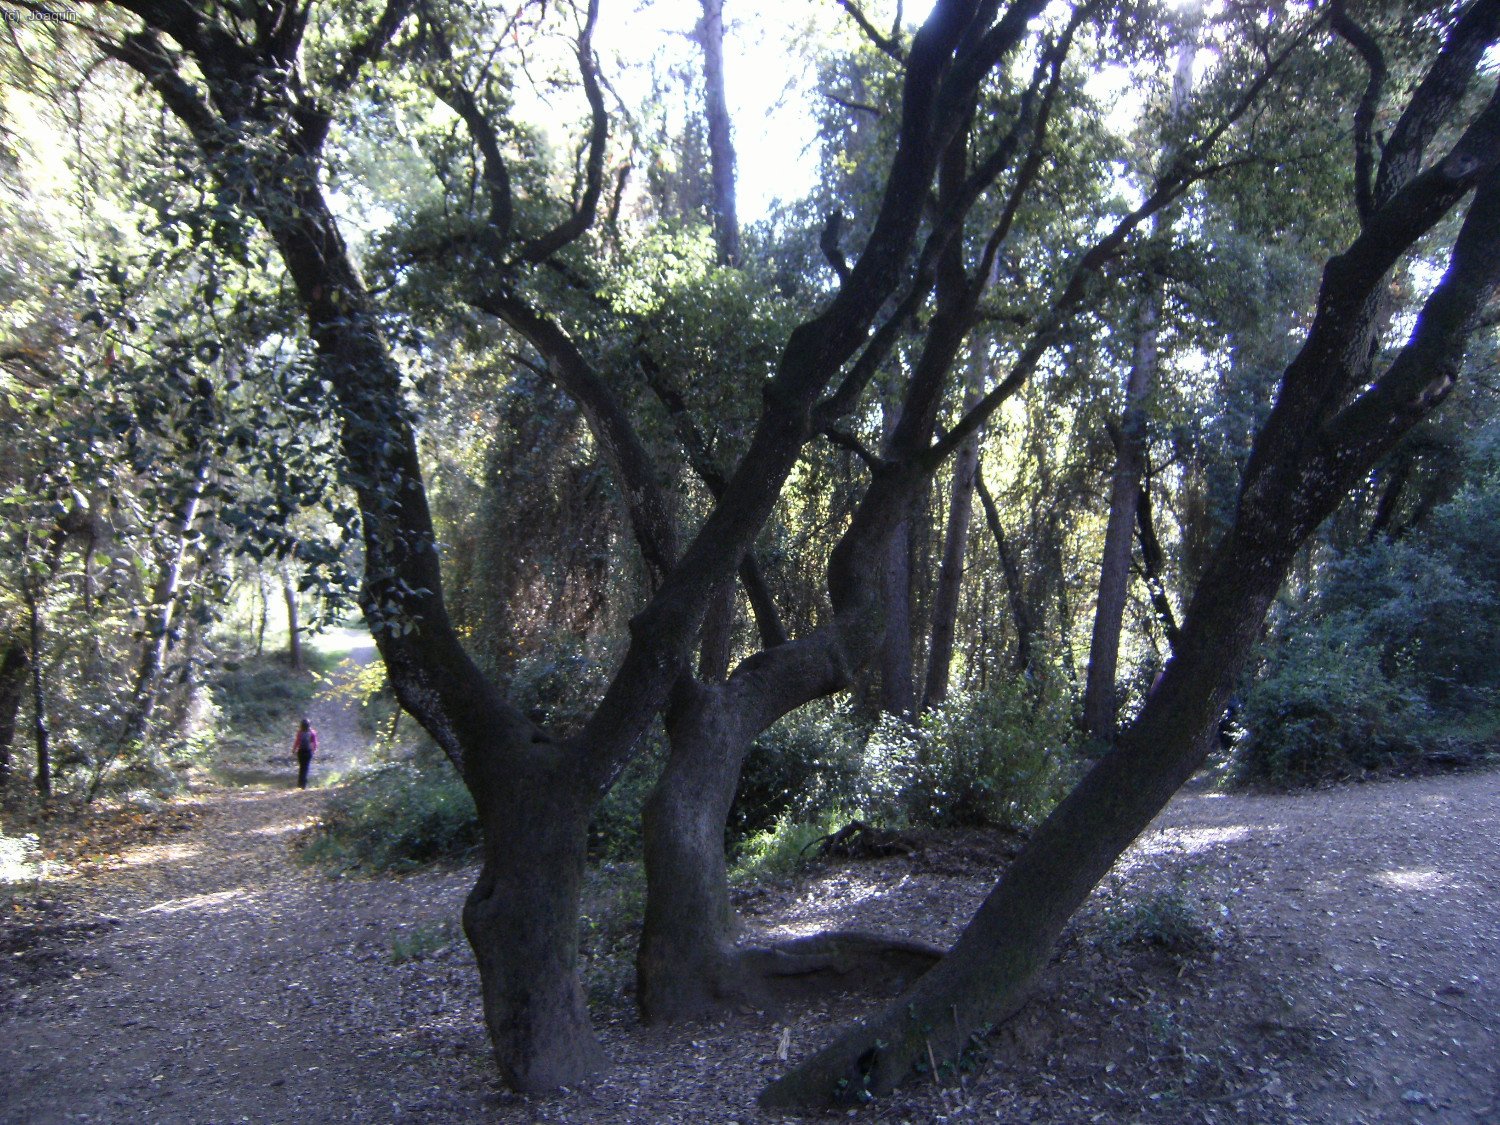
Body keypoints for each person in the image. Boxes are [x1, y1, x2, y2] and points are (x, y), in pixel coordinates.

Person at [293, 717, 318, 789]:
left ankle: (299, 784)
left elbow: (297, 742)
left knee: (301, 767)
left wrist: (294, 750)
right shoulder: (312, 733)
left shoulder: (299, 733)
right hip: (308, 752)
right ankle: (304, 785)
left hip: (300, 752)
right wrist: (314, 750)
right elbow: (315, 743)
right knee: (306, 767)